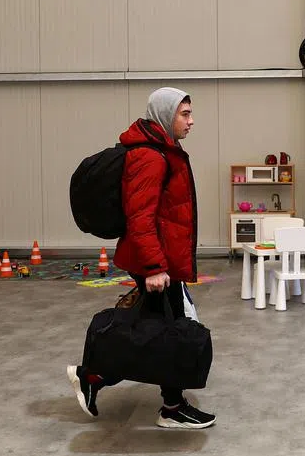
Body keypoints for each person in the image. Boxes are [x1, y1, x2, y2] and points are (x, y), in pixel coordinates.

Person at [67, 87, 215, 430]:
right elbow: (140, 217)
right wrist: (154, 268)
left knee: (154, 331)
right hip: (154, 263)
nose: (191, 121)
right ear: (165, 115)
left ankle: (95, 378)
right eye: (185, 114)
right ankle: (170, 407)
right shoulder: (150, 157)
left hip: (162, 261)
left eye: (190, 113)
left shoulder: (165, 150)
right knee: (168, 331)